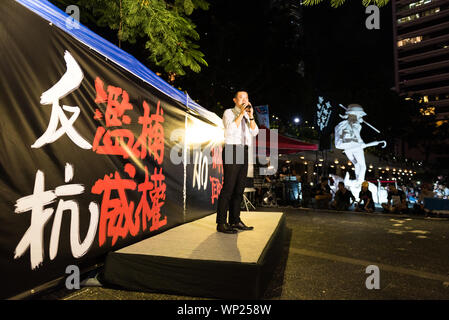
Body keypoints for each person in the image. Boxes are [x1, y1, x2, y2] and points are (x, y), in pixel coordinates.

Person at [216, 91, 259, 234]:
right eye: (241, 97)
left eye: (246, 98)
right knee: (228, 187)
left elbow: (255, 132)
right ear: (235, 100)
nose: (244, 100)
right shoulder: (229, 112)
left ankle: (235, 220)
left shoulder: (248, 116)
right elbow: (230, 130)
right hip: (232, 149)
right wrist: (241, 113)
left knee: (239, 188)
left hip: (244, 151)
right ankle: (221, 223)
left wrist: (250, 115)